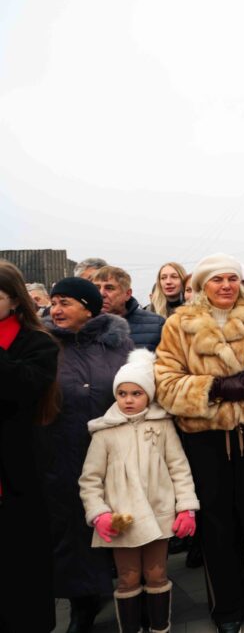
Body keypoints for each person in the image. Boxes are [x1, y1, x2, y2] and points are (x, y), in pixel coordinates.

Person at [154, 253, 244, 632]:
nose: (227, 286)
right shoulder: (178, 325)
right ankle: (227, 608)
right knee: (217, 526)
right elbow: (165, 383)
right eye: (218, 280)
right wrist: (215, 388)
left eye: (232, 279)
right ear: (202, 285)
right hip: (206, 440)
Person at [78, 349, 200, 633]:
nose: (129, 400)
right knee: (128, 578)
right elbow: (90, 480)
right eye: (122, 394)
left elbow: (179, 468)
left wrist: (186, 508)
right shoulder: (104, 433)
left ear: (148, 394)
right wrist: (99, 514)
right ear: (115, 395)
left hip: (159, 515)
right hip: (124, 520)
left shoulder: (162, 426)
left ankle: (160, 628)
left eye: (136, 393)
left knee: (157, 574)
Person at [44, 276, 134, 632]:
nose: (56, 309)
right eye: (53, 302)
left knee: (122, 522)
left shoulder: (119, 345)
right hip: (63, 451)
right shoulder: (47, 347)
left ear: (88, 306)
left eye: (65, 302)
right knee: (73, 531)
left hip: (115, 453)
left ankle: (135, 593)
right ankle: (83, 604)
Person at [0, 262, 61, 633]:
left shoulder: (36, 343)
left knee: (21, 566)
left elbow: (21, 390)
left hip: (18, 469)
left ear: (15, 300)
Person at [93, 266, 165, 351]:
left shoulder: (157, 325)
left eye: (109, 288)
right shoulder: (80, 323)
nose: (101, 293)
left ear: (127, 294)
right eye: (96, 288)